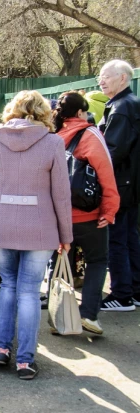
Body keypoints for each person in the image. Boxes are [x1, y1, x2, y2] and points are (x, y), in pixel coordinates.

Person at [0, 90, 73, 380]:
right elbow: (61, 193)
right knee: (30, 291)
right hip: (40, 226)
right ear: (43, 111)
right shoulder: (53, 142)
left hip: (1, 224)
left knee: (7, 285)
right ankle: (25, 360)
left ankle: (2, 349)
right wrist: (66, 235)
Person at [49, 92, 119, 335]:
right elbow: (106, 174)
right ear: (80, 113)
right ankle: (88, 314)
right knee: (97, 261)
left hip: (59, 216)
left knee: (60, 264)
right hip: (88, 215)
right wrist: (109, 211)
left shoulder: (54, 136)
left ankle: (60, 318)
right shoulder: (90, 135)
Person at [97, 60, 140, 311]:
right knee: (130, 238)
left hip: (120, 185)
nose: (101, 81)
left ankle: (122, 294)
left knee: (117, 239)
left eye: (106, 77)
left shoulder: (122, 107)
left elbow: (112, 151)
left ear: (123, 78)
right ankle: (133, 290)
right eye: (100, 77)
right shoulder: (127, 104)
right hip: (130, 184)